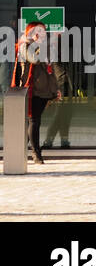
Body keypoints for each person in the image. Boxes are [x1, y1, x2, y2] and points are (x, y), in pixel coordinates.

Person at [11, 22, 62, 164]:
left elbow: (50, 70)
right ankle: (36, 153)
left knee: (34, 121)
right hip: (31, 89)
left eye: (44, 30)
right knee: (34, 121)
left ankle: (19, 150)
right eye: (39, 30)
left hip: (45, 90)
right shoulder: (24, 45)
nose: (43, 33)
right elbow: (34, 59)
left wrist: (55, 89)